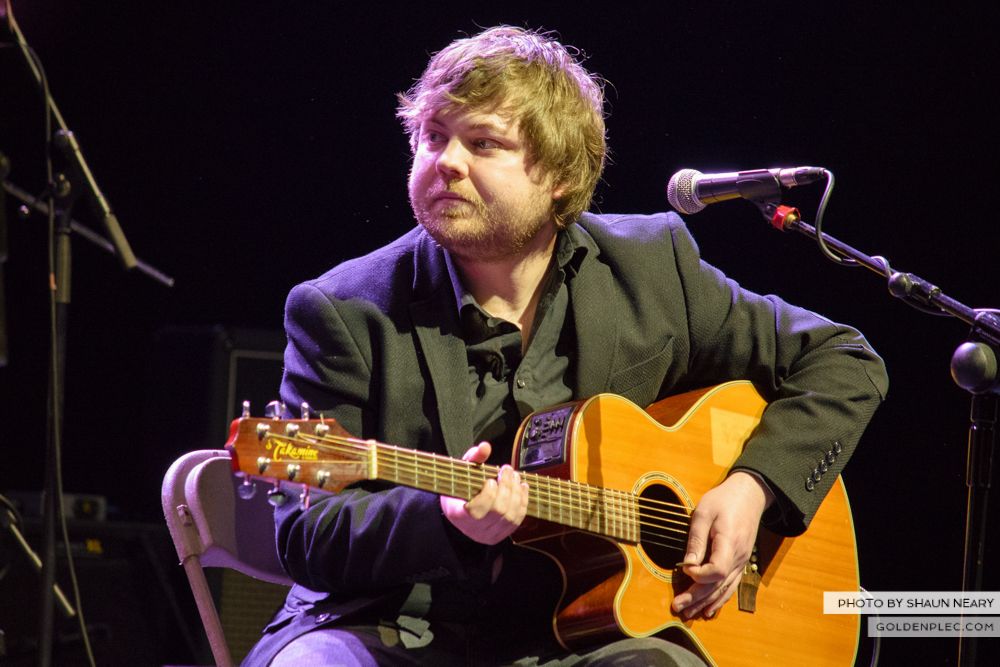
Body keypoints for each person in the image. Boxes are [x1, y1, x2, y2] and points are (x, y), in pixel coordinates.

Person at [242, 26, 887, 666]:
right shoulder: (343, 309)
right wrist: (444, 521)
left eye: (482, 143)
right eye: (433, 137)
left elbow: (842, 360)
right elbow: (306, 533)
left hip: (590, 634)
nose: (447, 161)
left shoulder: (651, 268)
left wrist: (752, 487)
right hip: (396, 628)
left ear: (557, 172)